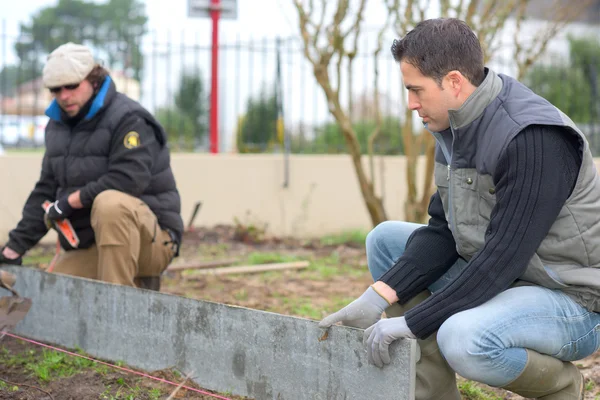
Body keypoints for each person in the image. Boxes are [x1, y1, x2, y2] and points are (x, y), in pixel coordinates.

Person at [319, 18, 600, 399]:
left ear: (453, 82)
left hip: (570, 300)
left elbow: (502, 259)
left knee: (463, 338)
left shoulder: (532, 138)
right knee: (385, 240)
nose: (410, 104)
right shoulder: (456, 129)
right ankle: (433, 392)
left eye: (416, 90)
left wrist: (412, 323)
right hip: (508, 280)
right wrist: (377, 297)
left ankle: (561, 386)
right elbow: (444, 231)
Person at [0, 42, 184, 291]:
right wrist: (14, 247)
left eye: (72, 86)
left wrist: (70, 201)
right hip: (95, 243)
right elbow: (45, 192)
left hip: (152, 242)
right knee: (55, 296)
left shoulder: (129, 118)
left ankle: (120, 311)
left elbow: (128, 180)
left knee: (111, 203)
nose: (64, 96)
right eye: (56, 89)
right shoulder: (58, 126)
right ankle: (119, 291)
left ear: (94, 79)